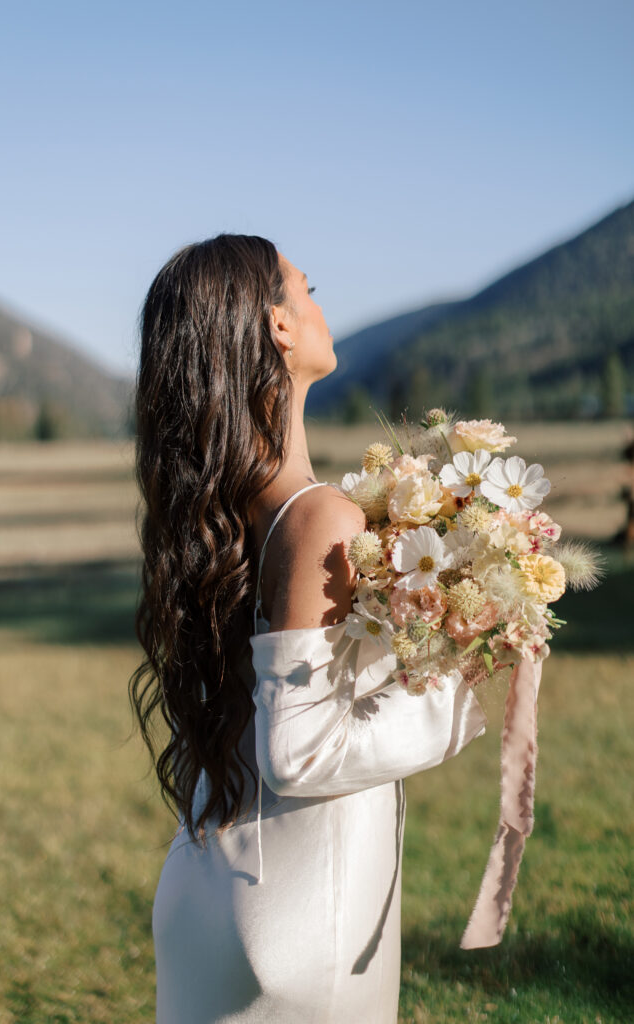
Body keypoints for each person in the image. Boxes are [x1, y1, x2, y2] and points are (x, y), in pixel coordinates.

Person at [129, 234, 487, 1023]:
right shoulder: (318, 516)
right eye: (307, 287)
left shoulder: (221, 517)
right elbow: (302, 752)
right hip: (299, 922)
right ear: (277, 327)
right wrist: (459, 685)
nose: (321, 305)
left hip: (206, 887)